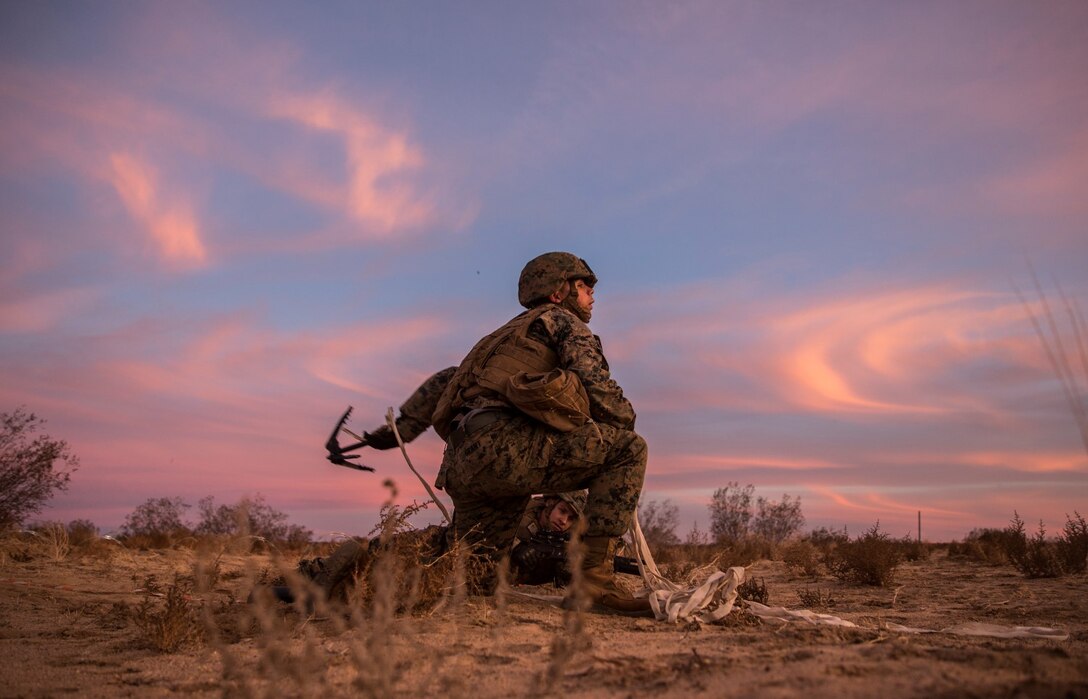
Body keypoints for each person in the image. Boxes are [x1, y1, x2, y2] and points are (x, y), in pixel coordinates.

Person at [430, 251, 649, 614]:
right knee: (628, 449)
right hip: (505, 449)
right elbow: (599, 388)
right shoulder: (562, 321)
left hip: (463, 461)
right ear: (558, 292)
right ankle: (593, 585)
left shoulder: (497, 337)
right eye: (584, 287)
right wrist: (622, 424)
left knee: (473, 575)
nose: (593, 296)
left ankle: (334, 574)